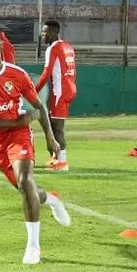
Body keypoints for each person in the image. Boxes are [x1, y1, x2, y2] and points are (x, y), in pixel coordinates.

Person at [0, 24, 72, 265]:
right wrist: (14, 120)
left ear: (0, 47)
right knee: (26, 189)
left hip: (19, 135)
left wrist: (51, 138)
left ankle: (33, 246)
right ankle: (51, 199)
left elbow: (39, 108)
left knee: (25, 180)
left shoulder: (17, 75)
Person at [36, 20, 77, 171]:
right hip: (70, 87)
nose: (42, 35)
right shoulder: (67, 46)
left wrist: (34, 90)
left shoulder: (52, 49)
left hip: (60, 90)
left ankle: (62, 162)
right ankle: (55, 158)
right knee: (53, 124)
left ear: (53, 33)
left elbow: (47, 73)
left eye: (45, 32)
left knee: (56, 127)